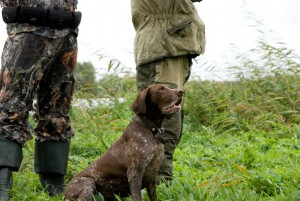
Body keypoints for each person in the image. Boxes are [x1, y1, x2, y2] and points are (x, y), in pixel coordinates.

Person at [0, 1, 81, 200]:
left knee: (58, 111)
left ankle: (54, 183)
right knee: (11, 107)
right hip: (27, 29)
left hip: (66, 34)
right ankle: (3, 183)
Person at [131, 0, 205, 184]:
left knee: (166, 117)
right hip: (165, 45)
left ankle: (153, 181)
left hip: (167, 43)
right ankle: (157, 183)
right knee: (165, 120)